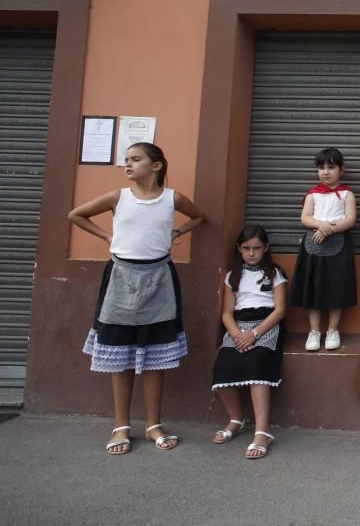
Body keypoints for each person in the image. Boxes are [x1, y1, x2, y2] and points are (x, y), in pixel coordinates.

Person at [68, 142, 205, 454]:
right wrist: (106, 236)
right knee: (121, 357)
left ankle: (154, 423)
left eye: (135, 159)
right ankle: (121, 425)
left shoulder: (172, 199)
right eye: (126, 160)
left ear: (156, 166)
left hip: (159, 281)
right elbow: (76, 214)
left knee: (155, 357)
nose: (127, 165)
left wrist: (177, 232)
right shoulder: (119, 197)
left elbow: (198, 217)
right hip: (120, 280)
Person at [210, 224, 286, 459]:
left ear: (266, 248)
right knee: (223, 366)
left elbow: (280, 309)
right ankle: (235, 419)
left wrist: (254, 334)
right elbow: (226, 313)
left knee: (257, 364)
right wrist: (237, 334)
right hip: (239, 326)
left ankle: (262, 431)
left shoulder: (275, 273)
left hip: (266, 324)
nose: (252, 253)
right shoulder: (233, 276)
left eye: (257, 248)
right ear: (239, 249)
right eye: (246, 248)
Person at [289, 147, 357, 351]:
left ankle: (333, 330)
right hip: (314, 247)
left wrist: (327, 230)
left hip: (339, 246)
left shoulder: (347, 194)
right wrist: (320, 225)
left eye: (331, 167)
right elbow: (305, 218)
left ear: (341, 169)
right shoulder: (313, 195)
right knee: (314, 288)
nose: (326, 172)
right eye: (321, 168)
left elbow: (351, 220)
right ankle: (314, 331)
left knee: (336, 288)